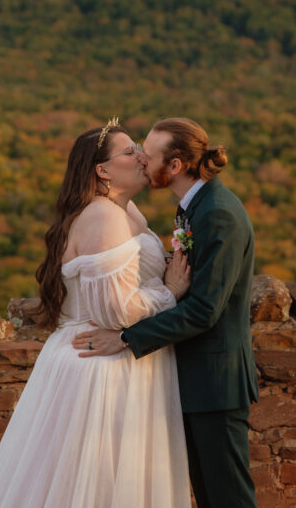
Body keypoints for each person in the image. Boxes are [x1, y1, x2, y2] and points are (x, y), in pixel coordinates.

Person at [0, 119, 192, 508]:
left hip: (123, 361)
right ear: (102, 171)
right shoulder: (103, 217)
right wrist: (170, 292)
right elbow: (116, 311)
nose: (141, 156)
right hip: (99, 367)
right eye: (129, 151)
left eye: (138, 146)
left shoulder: (126, 210)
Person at [73, 117, 259, 508]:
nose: (141, 159)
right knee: (209, 496)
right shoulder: (193, 208)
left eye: (148, 154)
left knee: (228, 498)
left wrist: (124, 338)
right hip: (193, 380)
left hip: (215, 383)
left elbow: (204, 310)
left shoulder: (218, 213)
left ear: (174, 166)